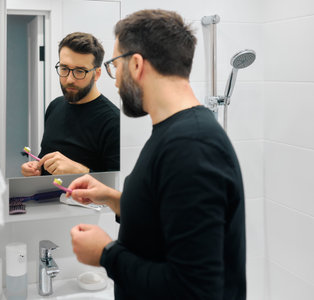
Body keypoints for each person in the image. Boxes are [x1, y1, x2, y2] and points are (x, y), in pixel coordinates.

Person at [69, 9, 246, 300]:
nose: (114, 81)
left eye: (115, 65)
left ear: (136, 64)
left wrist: (106, 254)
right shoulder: (174, 133)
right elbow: (168, 223)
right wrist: (113, 199)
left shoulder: (193, 146)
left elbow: (196, 290)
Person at [21, 32, 120, 177]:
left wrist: (80, 171)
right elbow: (46, 160)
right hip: (50, 199)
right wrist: (37, 168)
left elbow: (118, 186)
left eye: (80, 71)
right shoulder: (55, 106)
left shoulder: (113, 121)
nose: (69, 79)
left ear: (97, 74)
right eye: (64, 68)